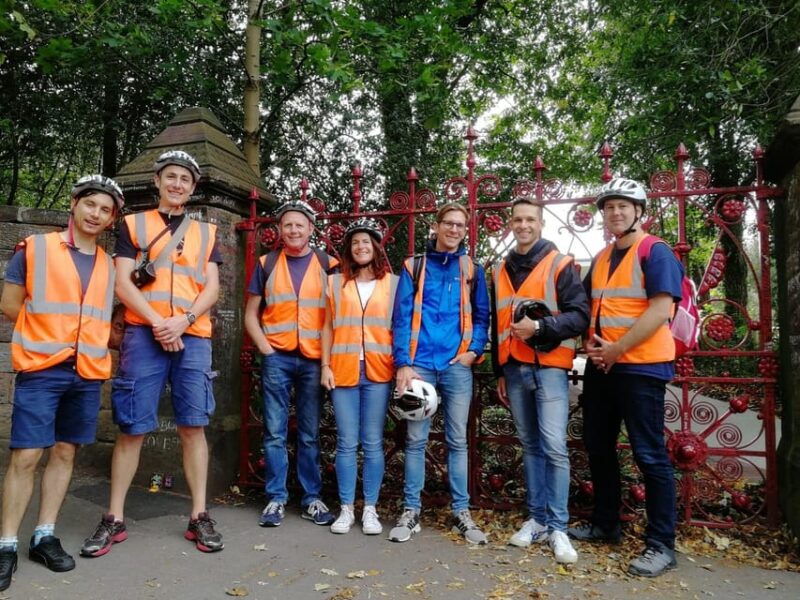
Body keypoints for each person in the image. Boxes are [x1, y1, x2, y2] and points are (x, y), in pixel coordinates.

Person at [81, 150, 224, 557]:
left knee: (193, 425)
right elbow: (122, 283)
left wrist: (183, 320)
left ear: (193, 188)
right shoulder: (132, 224)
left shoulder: (206, 232)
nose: (178, 184)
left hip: (192, 335)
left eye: (185, 179)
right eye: (171, 177)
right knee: (132, 428)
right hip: (144, 334)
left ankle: (199, 515)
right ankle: (114, 518)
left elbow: (212, 288)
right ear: (158, 181)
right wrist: (160, 323)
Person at [0, 175, 123, 591]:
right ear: (74, 204)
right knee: (26, 457)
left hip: (86, 371)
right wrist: (45, 338)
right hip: (42, 367)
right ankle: (6, 544)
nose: (97, 214)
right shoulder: (35, 248)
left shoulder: (108, 263)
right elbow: (10, 304)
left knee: (65, 453)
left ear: (111, 220)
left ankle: (43, 536)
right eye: (91, 205)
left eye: (106, 210)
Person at [567, 177, 683, 577]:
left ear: (639, 211)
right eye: (609, 208)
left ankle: (661, 544)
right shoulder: (601, 258)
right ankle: (606, 524)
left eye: (623, 206)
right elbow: (586, 307)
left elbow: (660, 310)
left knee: (649, 454)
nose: (615, 213)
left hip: (641, 366)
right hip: (603, 367)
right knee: (597, 445)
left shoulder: (655, 251)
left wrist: (617, 349)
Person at [491, 198, 589, 563]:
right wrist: (500, 370)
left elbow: (580, 316)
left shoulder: (561, 265)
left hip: (549, 367)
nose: (523, 225)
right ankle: (537, 520)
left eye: (530, 219)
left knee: (553, 446)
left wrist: (541, 327)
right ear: (511, 224)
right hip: (515, 368)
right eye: (517, 219)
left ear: (541, 224)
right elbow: (496, 325)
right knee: (530, 445)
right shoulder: (501, 269)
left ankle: (559, 527)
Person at [389, 202, 490, 545]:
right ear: (435, 225)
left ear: (466, 230)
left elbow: (482, 316)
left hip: (456, 366)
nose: (454, 230)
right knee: (416, 441)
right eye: (448, 223)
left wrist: (474, 351)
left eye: (460, 225)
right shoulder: (413, 266)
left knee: (457, 441)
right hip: (418, 366)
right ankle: (411, 510)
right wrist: (403, 362)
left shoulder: (471, 269)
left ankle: (461, 512)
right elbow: (401, 318)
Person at [244, 199, 339, 528]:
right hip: (278, 358)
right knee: (274, 432)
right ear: (280, 230)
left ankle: (312, 498)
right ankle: (276, 498)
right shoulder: (267, 263)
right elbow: (250, 314)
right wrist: (266, 350)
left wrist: (328, 360)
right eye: (288, 225)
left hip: (314, 360)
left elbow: (338, 316)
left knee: (310, 434)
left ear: (311, 229)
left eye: (300, 225)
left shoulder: (329, 264)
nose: (294, 230)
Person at [320, 218, 398, 535]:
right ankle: (345, 509)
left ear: (376, 247)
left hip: (379, 370)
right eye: (355, 243)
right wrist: (325, 365)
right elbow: (327, 326)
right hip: (343, 369)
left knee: (373, 443)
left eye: (366, 241)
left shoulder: (392, 283)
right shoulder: (335, 283)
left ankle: (370, 509)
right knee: (346, 442)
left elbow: (401, 325)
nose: (361, 247)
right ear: (349, 250)